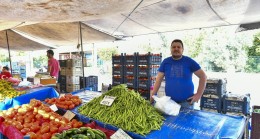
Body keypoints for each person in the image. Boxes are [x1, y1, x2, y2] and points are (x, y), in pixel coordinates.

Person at [150, 39, 207, 109]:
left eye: (178, 47)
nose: (176, 49)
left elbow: (203, 76)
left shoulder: (189, 61)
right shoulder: (165, 62)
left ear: (182, 49)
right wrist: (153, 95)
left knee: (186, 120)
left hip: (187, 103)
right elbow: (158, 80)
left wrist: (198, 94)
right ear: (170, 49)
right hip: (170, 102)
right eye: (173, 47)